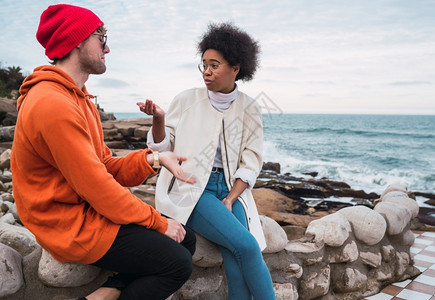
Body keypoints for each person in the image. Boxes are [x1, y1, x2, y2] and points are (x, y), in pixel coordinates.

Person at [11, 4, 196, 300]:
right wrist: (158, 222)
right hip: (67, 223)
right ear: (76, 40)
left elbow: (105, 165)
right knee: (177, 263)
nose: (107, 48)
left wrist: (156, 157)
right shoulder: (52, 103)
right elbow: (97, 185)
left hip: (85, 210)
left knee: (186, 240)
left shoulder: (80, 100)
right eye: (101, 38)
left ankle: (106, 293)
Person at [137, 22, 276, 299]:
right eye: (204, 65)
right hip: (193, 188)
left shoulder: (250, 107)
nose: (207, 72)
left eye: (215, 65)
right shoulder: (186, 99)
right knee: (247, 246)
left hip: (232, 189)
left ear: (236, 68)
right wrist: (159, 119)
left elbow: (252, 159)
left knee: (235, 255)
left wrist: (232, 197)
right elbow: (162, 147)